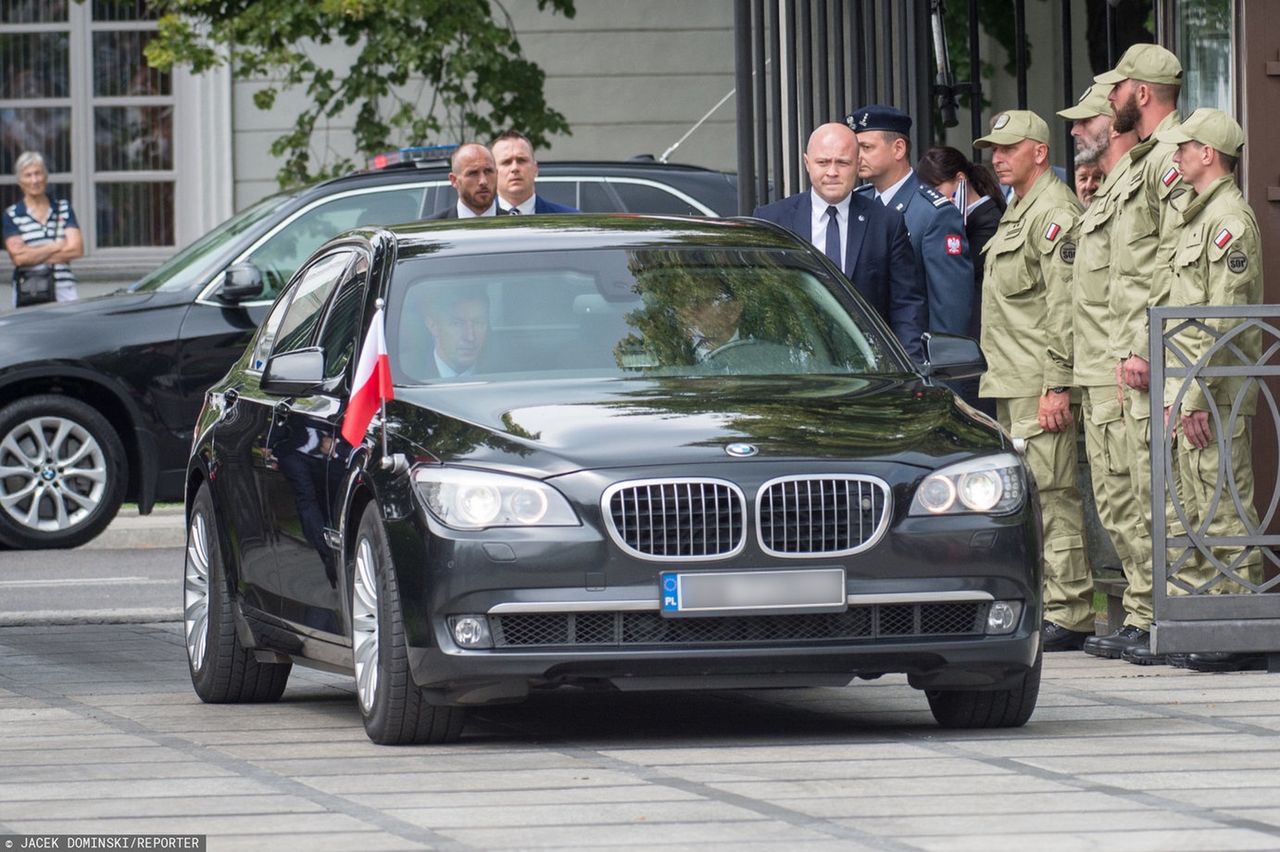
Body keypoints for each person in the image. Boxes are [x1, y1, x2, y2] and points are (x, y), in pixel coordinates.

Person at [974, 110, 1092, 652]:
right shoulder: (1019, 208)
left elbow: (1063, 307)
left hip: (1036, 381)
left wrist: (1056, 384)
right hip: (1011, 379)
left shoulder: (1054, 212)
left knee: (1052, 493)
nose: (997, 158)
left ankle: (1069, 610)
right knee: (1030, 495)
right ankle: (1054, 602)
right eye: (993, 150)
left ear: (1039, 152)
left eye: (1008, 148)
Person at [1083, 44, 1185, 664]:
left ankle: (1167, 616)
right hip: (1124, 355)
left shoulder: (1170, 157)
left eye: (1118, 88)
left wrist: (1146, 344)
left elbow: (1169, 264)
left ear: (1139, 93)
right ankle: (1150, 614)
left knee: (1163, 493)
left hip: (1153, 357)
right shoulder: (1145, 160)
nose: (1110, 100)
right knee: (1135, 495)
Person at [1156, 110, 1265, 673]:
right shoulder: (1198, 217)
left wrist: (1193, 396)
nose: (1175, 155)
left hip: (1214, 391)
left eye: (1184, 147)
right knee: (1196, 508)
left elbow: (1224, 320)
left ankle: (1242, 626)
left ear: (1209, 155)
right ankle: (1209, 620)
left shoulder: (1228, 220)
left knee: (1223, 506)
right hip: (1193, 384)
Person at [1058, 81, 1142, 653]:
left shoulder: (1132, 188)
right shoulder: (1103, 195)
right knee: (1113, 501)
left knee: (1133, 496)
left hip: (1117, 367)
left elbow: (1135, 283)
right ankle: (1140, 607)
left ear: (1110, 124)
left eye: (1083, 120)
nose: (1073, 130)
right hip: (1096, 367)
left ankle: (1146, 610)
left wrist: (1127, 353)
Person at [751, 122, 926, 362]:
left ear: (857, 164)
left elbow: (906, 306)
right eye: (823, 162)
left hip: (870, 368)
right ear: (806, 163)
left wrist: (911, 368)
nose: (832, 172)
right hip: (792, 366)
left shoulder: (886, 223)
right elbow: (759, 301)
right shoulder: (772, 220)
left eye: (842, 163)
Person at [848, 105, 974, 339]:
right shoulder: (859, 201)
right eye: (856, 148)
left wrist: (941, 368)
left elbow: (949, 307)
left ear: (898, 148)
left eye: (866, 147)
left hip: (912, 356)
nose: (857, 157)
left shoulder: (933, 213)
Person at [916, 145, 1006, 417]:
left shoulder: (987, 220)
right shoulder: (967, 219)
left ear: (960, 181)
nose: (931, 197)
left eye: (936, 187)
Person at [2, 150, 82, 306]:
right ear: (19, 181)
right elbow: (19, 258)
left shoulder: (63, 208)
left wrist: (31, 253)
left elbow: (76, 249)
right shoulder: (12, 215)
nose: (34, 180)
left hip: (64, 288)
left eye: (38, 174)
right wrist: (56, 246)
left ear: (45, 177)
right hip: (28, 289)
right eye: (28, 175)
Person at [490, 130, 578, 214]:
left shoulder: (570, 220)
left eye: (521, 160)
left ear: (535, 169)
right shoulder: (478, 222)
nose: (515, 168)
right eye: (506, 162)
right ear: (492, 173)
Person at [422, 288, 491, 378]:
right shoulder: (406, 375)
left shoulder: (507, 374)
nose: (470, 337)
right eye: (457, 324)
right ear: (433, 326)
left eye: (478, 323)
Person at [427, 143, 504, 219]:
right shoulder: (431, 229)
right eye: (473, 173)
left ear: (497, 174)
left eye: (488, 171)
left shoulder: (514, 226)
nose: (483, 181)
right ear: (454, 180)